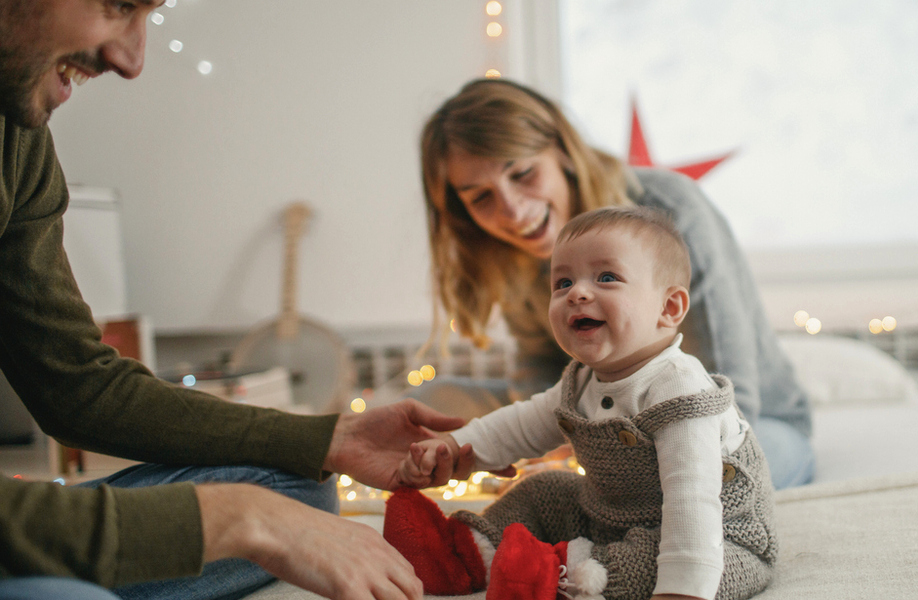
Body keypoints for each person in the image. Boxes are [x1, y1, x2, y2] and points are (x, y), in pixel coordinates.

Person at [0, 2, 464, 598]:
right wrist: (237, 519)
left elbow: (78, 388)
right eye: (118, 4)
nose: (132, 58)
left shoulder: (19, 137)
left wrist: (331, 440)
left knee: (300, 489)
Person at [413, 78, 813, 490]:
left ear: (563, 152)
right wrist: (563, 442)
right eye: (480, 198)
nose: (512, 211)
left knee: (702, 476)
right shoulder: (510, 254)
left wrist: (599, 455)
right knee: (432, 403)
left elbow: (727, 393)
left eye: (523, 173)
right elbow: (541, 370)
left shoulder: (668, 209)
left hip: (744, 422)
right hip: (600, 416)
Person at [384, 206, 776, 600]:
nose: (578, 292)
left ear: (668, 308)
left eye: (607, 277)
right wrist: (456, 448)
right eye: (563, 282)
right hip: (612, 516)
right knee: (543, 490)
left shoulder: (680, 389)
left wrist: (682, 591)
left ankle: (564, 575)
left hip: (721, 535)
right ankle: (467, 555)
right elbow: (520, 425)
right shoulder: (581, 379)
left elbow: (692, 498)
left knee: (647, 567)